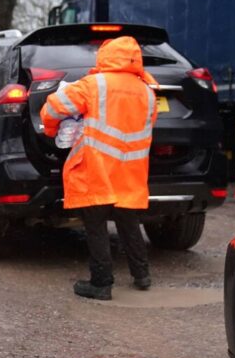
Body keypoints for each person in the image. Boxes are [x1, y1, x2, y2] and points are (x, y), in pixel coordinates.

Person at [39, 36, 159, 301]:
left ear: (107, 56)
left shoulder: (93, 85)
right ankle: (141, 275)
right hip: (131, 170)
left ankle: (101, 283)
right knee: (129, 221)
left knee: (95, 224)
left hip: (97, 165)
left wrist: (50, 130)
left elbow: (54, 108)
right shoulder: (148, 92)